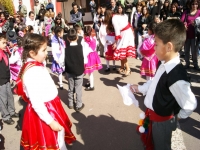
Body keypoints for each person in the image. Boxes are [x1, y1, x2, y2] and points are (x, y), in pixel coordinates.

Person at [130, 19, 197, 150]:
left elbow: (190, 104)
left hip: (162, 122)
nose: (153, 47)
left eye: (156, 44)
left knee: (161, 146)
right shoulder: (164, 62)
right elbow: (155, 82)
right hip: (154, 116)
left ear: (168, 47)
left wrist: (176, 118)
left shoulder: (176, 76)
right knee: (154, 142)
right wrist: (140, 88)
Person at [14, 33, 76, 149]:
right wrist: (50, 121)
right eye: (43, 50)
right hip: (46, 110)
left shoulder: (34, 64)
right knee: (53, 141)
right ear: (32, 53)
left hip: (51, 106)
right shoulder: (33, 72)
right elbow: (36, 102)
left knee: (58, 138)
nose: (46, 53)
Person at [0, 33, 19, 125]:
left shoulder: (4, 52)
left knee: (9, 96)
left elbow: (8, 65)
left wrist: (10, 77)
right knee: (3, 99)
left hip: (6, 78)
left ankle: (12, 111)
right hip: (1, 80)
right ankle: (6, 116)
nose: (5, 44)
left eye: (5, 42)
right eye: (3, 43)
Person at [111, 3, 136, 76]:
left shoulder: (120, 16)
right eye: (118, 8)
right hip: (124, 33)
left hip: (126, 33)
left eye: (121, 8)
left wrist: (115, 41)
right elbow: (117, 29)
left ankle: (128, 69)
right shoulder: (115, 17)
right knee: (122, 50)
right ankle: (122, 67)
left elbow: (117, 29)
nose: (119, 9)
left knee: (122, 51)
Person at [65, 28, 85, 111]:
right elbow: (85, 58)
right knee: (78, 88)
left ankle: (70, 103)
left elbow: (63, 60)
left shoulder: (66, 49)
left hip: (69, 71)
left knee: (70, 87)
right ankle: (78, 105)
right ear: (77, 37)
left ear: (67, 38)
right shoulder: (81, 47)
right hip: (79, 70)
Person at [181, 0, 200, 70]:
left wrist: (196, 24)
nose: (194, 6)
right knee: (186, 50)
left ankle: (195, 64)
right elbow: (181, 21)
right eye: (193, 4)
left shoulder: (199, 12)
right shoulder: (186, 12)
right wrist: (184, 25)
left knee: (194, 50)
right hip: (187, 34)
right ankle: (187, 63)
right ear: (190, 5)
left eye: (196, 4)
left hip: (196, 35)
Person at [83, 26, 102, 91]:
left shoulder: (85, 41)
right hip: (94, 55)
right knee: (90, 71)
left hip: (89, 56)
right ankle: (90, 82)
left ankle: (91, 86)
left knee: (90, 72)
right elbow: (96, 45)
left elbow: (85, 51)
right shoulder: (93, 38)